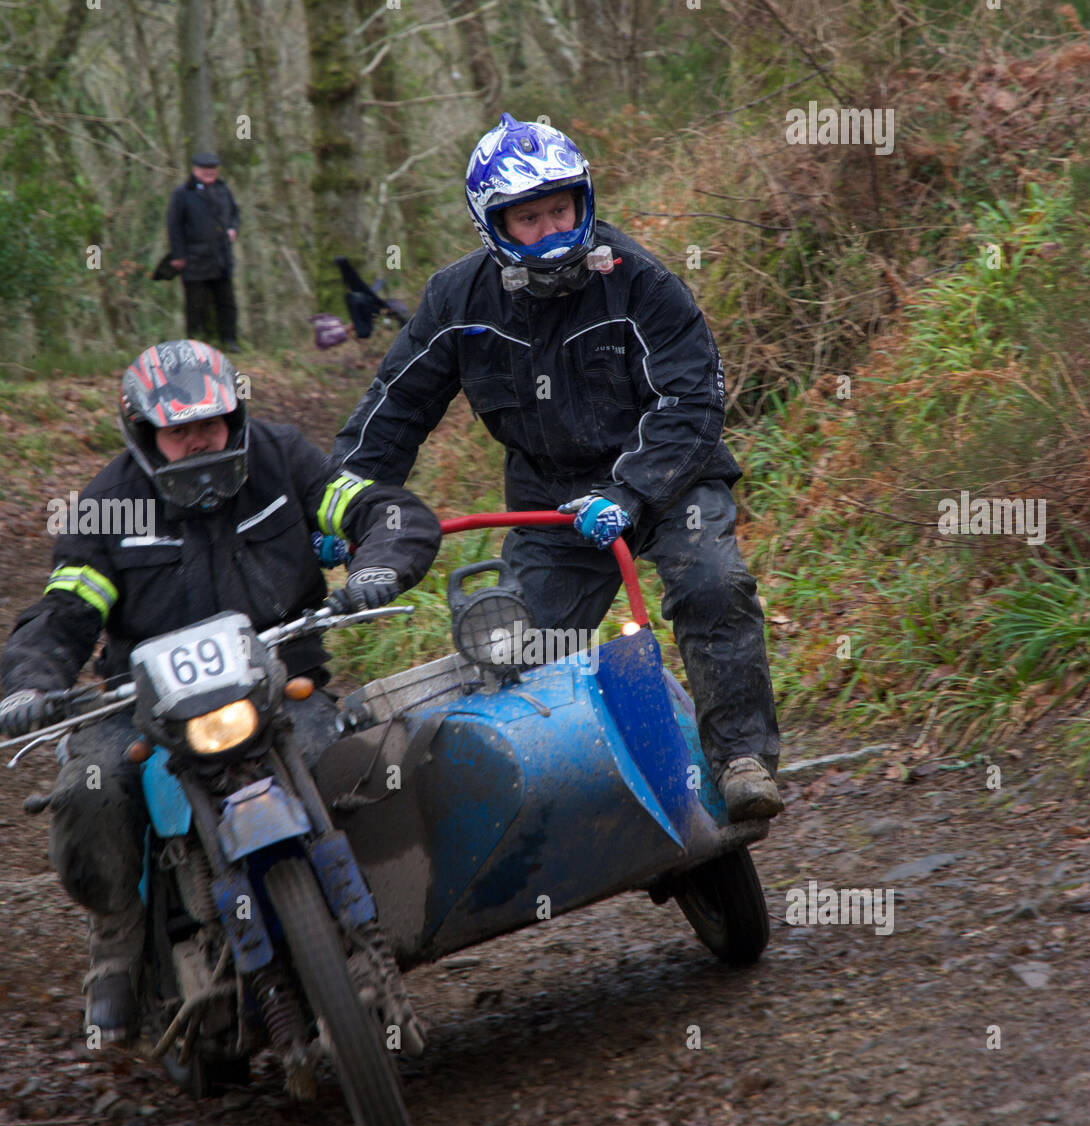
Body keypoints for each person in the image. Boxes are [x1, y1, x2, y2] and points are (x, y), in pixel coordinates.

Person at [330, 112, 783, 821]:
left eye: (561, 210)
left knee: (712, 583)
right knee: (512, 646)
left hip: (669, 481)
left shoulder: (641, 282)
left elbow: (692, 399)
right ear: (494, 225)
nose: (551, 230)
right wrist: (346, 503)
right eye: (530, 218)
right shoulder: (458, 299)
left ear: (583, 201)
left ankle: (739, 760)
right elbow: (396, 407)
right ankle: (558, 806)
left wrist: (630, 492)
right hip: (553, 503)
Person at [0, 339, 441, 1041]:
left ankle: (369, 915)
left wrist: (378, 566)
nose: (200, 440)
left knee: (344, 765)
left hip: (280, 680)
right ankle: (117, 935)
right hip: (143, 703)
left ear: (234, 415)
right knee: (91, 788)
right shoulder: (109, 504)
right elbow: (64, 610)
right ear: (145, 434)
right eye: (180, 431)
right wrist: (30, 682)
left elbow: (376, 509)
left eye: (211, 423)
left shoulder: (281, 458)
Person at [166, 153, 242, 351]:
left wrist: (233, 228)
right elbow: (174, 225)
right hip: (194, 258)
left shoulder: (223, 189)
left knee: (227, 302)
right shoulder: (183, 193)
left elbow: (235, 213)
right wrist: (178, 255)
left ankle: (229, 340)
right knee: (195, 305)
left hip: (221, 257)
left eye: (213, 170)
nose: (209, 173)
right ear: (195, 170)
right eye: (205, 170)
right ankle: (196, 344)